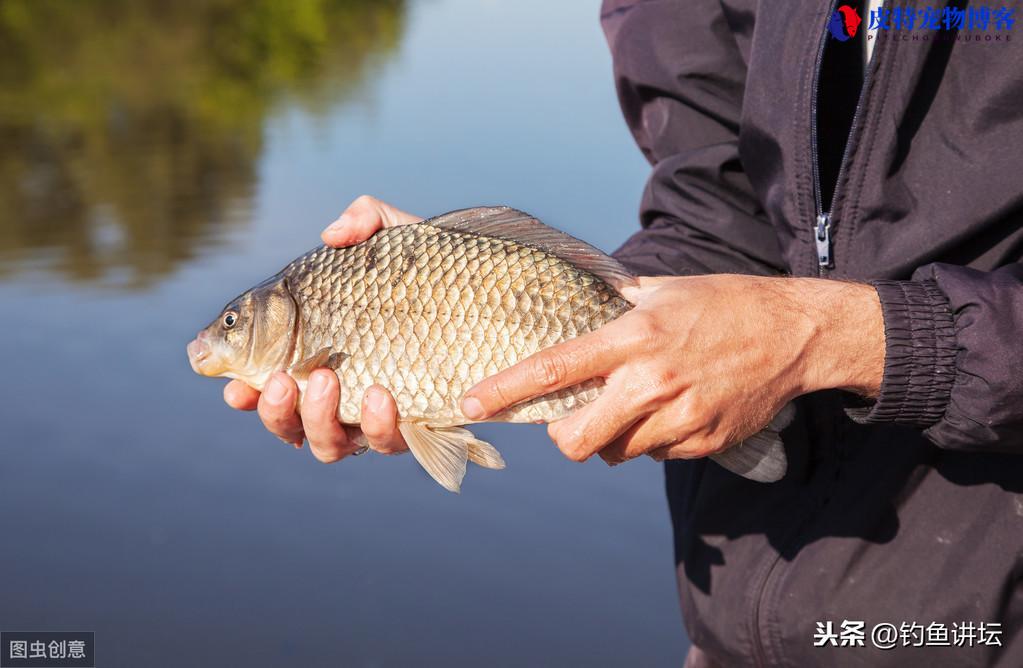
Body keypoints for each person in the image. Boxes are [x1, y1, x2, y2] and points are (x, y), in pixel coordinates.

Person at [225, 0, 1023, 664]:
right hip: (735, 626)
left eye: (231, 327)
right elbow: (715, 200)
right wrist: (484, 305)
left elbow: (814, 319)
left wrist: (845, 338)